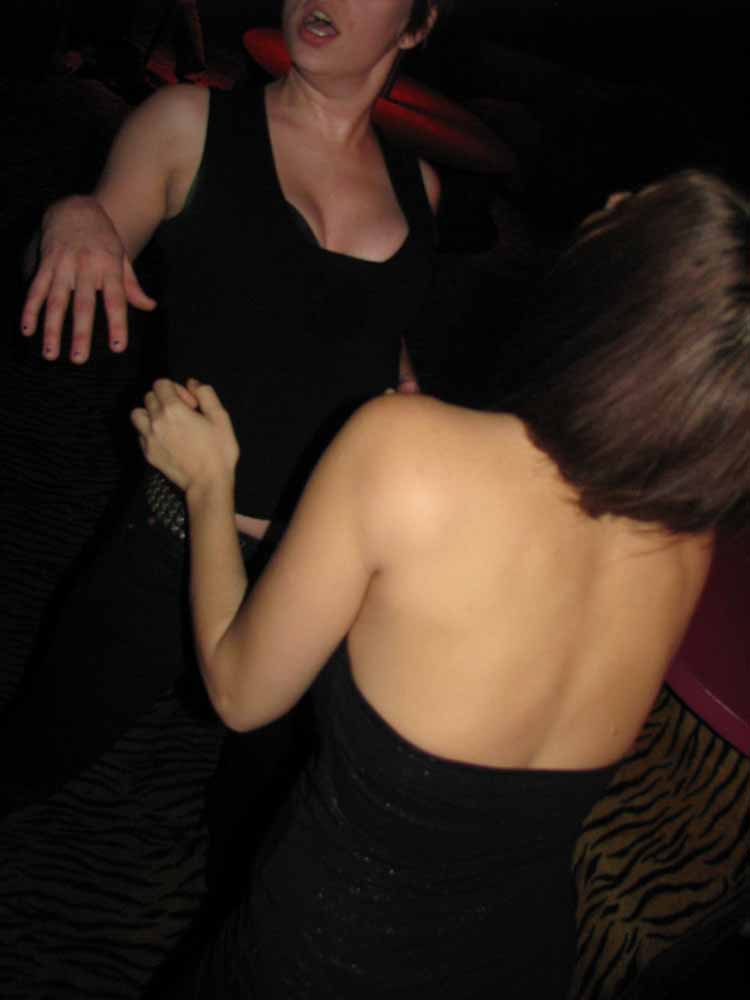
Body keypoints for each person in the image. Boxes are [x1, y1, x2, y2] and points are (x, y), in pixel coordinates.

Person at [132, 169, 750, 996]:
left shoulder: (404, 451)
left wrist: (209, 483)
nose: (604, 203)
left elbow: (240, 692)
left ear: (622, 306)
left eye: (626, 213)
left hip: (326, 956)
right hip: (521, 963)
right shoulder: (688, 544)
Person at [0, 3, 445, 994]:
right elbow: (82, 248)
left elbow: (374, 343)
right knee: (40, 746)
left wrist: (406, 401)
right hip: (166, 545)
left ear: (417, 24)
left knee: (255, 826)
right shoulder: (188, 125)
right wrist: (69, 220)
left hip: (318, 580)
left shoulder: (420, 187)